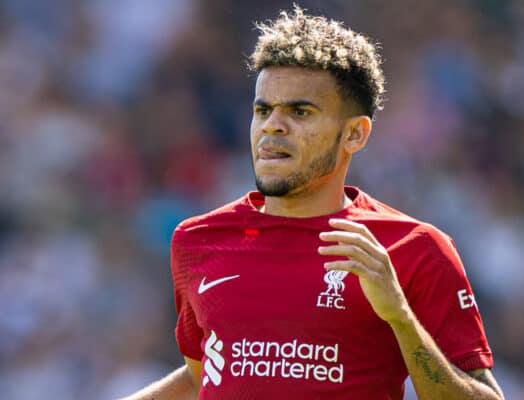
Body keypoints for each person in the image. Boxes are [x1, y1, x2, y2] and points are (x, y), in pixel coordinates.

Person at [123, 6, 504, 400]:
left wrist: (401, 317)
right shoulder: (197, 240)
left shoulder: (413, 249)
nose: (273, 125)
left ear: (354, 134)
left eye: (300, 111)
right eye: (263, 110)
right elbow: (203, 376)